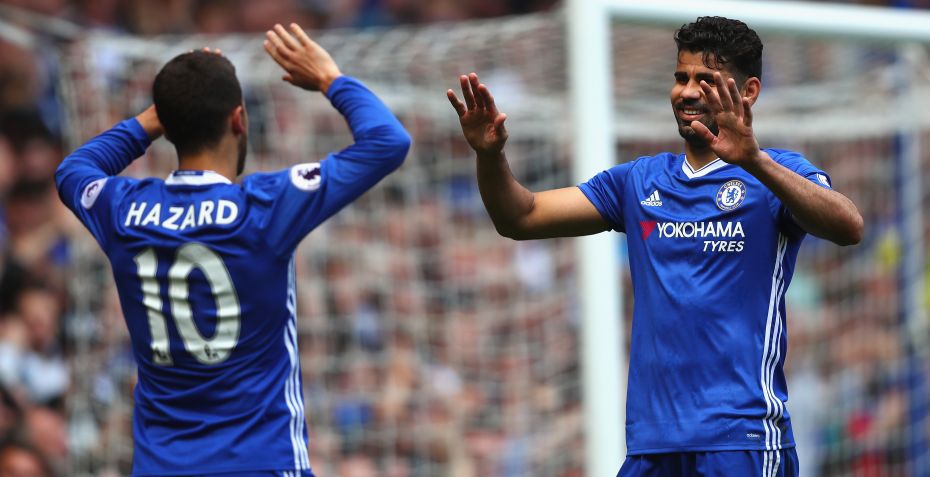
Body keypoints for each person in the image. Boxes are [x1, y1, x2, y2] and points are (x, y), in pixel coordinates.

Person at [447, 16, 863, 477]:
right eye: (681, 77)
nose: (687, 91)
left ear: (748, 92)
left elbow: (849, 226)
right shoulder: (638, 181)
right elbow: (520, 218)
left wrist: (755, 161)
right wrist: (490, 156)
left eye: (706, 81)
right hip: (652, 444)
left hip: (741, 440)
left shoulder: (776, 173)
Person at [56, 23, 410, 476]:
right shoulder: (263, 207)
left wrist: (155, 117)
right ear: (239, 119)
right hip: (261, 462)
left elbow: (74, 170)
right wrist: (330, 78)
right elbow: (388, 142)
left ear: (169, 126)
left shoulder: (125, 211)